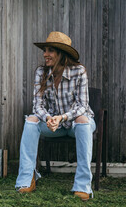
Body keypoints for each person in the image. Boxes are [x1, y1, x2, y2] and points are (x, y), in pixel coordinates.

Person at [15, 31, 95, 201]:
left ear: (61, 54)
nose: (45, 54)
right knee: (31, 121)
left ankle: (82, 186)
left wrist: (62, 117)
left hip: (76, 124)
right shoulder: (41, 72)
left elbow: (83, 106)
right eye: (45, 50)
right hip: (53, 125)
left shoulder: (79, 71)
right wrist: (48, 119)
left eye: (50, 50)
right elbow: (38, 105)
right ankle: (27, 180)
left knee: (83, 121)